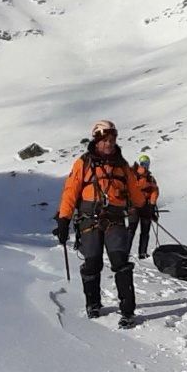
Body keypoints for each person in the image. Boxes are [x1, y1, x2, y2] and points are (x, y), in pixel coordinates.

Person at [54, 118, 152, 322]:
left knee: (120, 262)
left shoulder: (122, 165)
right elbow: (71, 191)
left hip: (114, 219)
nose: (109, 144)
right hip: (88, 220)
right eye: (105, 140)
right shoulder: (84, 163)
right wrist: (63, 219)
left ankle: (127, 310)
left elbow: (134, 190)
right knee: (92, 263)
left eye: (112, 139)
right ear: (97, 140)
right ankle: (93, 304)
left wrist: (144, 207)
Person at [130, 151, 161, 260]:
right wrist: (151, 207)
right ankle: (141, 253)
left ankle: (131, 252)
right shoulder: (142, 177)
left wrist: (152, 207)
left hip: (138, 207)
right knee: (141, 231)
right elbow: (154, 191)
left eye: (146, 164)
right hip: (140, 207)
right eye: (144, 163)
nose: (145, 166)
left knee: (134, 230)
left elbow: (154, 192)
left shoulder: (141, 176)